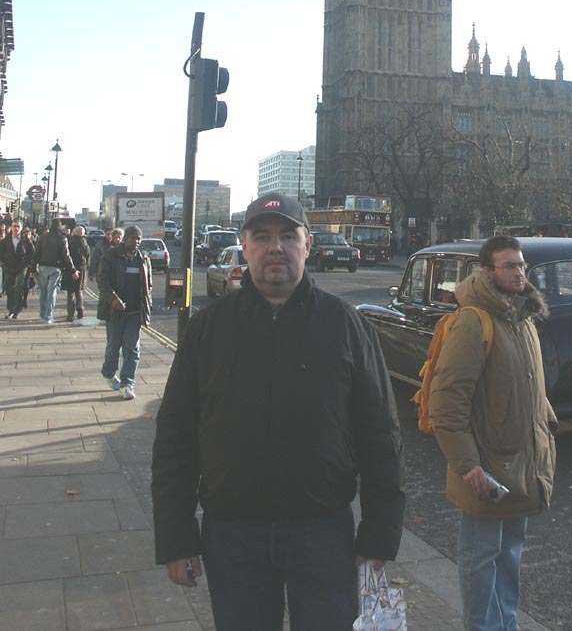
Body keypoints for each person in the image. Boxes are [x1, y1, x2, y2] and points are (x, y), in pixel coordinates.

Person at [151, 191, 404, 631]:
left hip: (322, 533)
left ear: (308, 245)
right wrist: (177, 538)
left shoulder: (346, 325)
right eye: (263, 237)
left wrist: (380, 532)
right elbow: (176, 436)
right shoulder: (209, 328)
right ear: (245, 246)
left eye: (288, 236)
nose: (276, 247)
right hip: (233, 533)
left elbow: (381, 434)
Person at [428, 234, 557, 631]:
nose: (519, 273)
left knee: (510, 555)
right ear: (487, 272)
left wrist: (547, 431)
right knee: (481, 559)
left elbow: (533, 390)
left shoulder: (523, 318)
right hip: (486, 467)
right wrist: (468, 465)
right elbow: (447, 402)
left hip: (522, 463)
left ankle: (506, 625)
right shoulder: (473, 321)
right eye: (509, 265)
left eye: (522, 265)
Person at [98, 225, 152, 399]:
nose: (136, 241)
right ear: (125, 238)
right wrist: (113, 299)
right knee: (113, 347)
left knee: (132, 349)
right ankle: (108, 373)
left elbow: (148, 286)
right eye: (133, 238)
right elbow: (102, 281)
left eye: (139, 239)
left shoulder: (143, 259)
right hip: (114, 311)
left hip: (134, 313)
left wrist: (147, 307)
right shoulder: (111, 256)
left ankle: (128, 383)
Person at [33, 219, 77, 324]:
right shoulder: (62, 238)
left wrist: (33, 267)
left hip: (43, 266)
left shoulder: (43, 237)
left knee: (43, 291)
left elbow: (37, 252)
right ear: (59, 226)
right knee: (51, 291)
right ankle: (48, 316)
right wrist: (73, 269)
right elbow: (66, 255)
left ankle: (42, 314)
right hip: (56, 268)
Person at [0, 220, 34, 320]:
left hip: (21, 267)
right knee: (9, 288)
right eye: (14, 226)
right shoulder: (6, 240)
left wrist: (28, 265)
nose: (16, 228)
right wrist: (3, 263)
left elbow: (32, 253)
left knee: (19, 287)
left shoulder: (26, 240)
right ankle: (11, 310)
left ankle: (17, 310)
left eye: (18, 226)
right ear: (11, 227)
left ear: (21, 228)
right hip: (9, 267)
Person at [65, 225, 91, 322]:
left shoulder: (69, 242)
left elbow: (66, 255)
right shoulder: (85, 243)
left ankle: (70, 314)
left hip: (71, 268)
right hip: (82, 268)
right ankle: (80, 310)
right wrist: (87, 267)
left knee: (70, 292)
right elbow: (88, 256)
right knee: (79, 291)